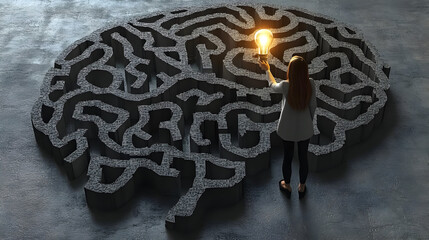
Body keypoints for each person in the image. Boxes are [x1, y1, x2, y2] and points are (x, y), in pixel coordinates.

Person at [258, 56, 316, 199]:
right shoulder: (311, 83)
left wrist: (268, 70)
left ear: (291, 71)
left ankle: (287, 184)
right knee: (303, 158)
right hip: (305, 129)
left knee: (287, 157)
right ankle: (302, 187)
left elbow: (272, 85)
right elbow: (313, 106)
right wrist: (309, 120)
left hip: (287, 129)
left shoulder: (285, 86)